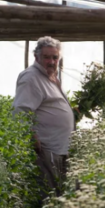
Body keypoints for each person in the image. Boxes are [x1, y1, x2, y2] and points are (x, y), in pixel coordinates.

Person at [13, 36, 75, 196]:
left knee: (61, 190)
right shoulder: (31, 78)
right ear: (36, 57)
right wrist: (31, 136)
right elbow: (21, 110)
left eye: (55, 57)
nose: (52, 62)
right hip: (47, 148)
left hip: (59, 148)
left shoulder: (51, 76)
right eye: (47, 57)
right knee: (50, 194)